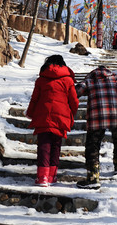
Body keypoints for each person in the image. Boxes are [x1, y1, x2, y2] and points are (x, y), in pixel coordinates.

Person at [26, 55, 79, 187]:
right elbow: (74, 101)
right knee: (56, 145)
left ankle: (42, 177)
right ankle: (52, 176)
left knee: (44, 144)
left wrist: (30, 113)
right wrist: (70, 113)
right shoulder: (68, 80)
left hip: (43, 114)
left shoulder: (41, 80)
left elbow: (34, 99)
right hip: (61, 116)